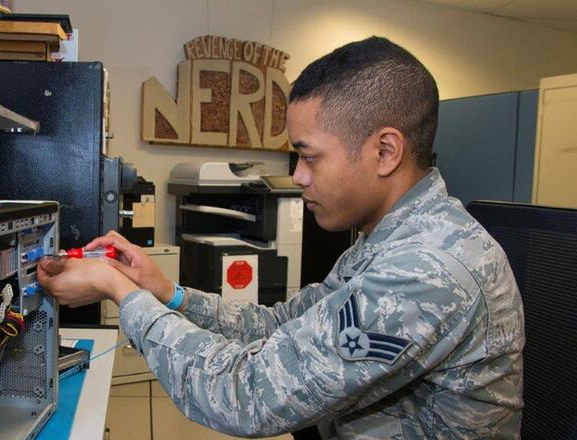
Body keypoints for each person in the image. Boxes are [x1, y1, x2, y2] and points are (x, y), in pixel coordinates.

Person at [37, 36, 524, 439]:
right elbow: (284, 324)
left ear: (385, 151)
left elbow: (243, 395)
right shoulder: (392, 239)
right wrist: (166, 292)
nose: (296, 176)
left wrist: (115, 288)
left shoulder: (426, 269)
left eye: (309, 156)